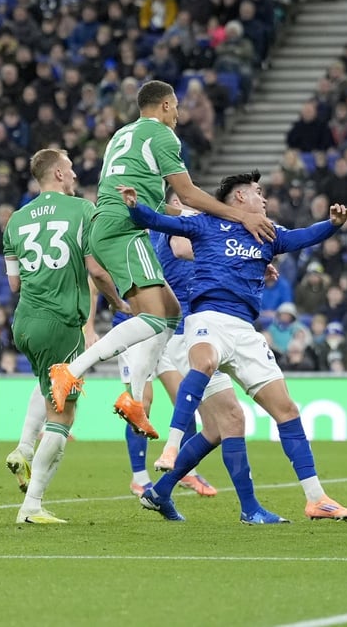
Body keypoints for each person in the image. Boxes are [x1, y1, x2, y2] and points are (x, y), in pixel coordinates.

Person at [118, 170, 347, 522]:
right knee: (206, 367)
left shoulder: (267, 234)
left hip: (245, 330)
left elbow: (304, 237)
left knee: (277, 412)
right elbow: (158, 222)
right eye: (258, 192)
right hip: (205, 320)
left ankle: (315, 498)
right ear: (240, 198)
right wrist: (135, 207)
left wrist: (333, 224)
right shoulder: (204, 223)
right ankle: (171, 451)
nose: (264, 198)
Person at [48, 80, 275, 434]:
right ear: (166, 105)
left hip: (110, 224)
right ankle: (71, 372)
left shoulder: (123, 135)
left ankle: (133, 400)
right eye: (177, 106)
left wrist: (183, 215)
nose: (180, 114)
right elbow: (188, 192)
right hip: (123, 228)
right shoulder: (165, 137)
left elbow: (164, 201)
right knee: (155, 316)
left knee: (169, 313)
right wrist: (240, 217)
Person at [3, 148, 129, 524]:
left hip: (25, 321)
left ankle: (24, 448)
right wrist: (117, 302)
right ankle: (32, 505)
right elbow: (97, 270)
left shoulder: (14, 220)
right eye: (70, 170)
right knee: (63, 414)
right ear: (57, 174)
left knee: (47, 388)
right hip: (61, 322)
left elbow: (13, 282)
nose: (74, 176)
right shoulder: (83, 211)